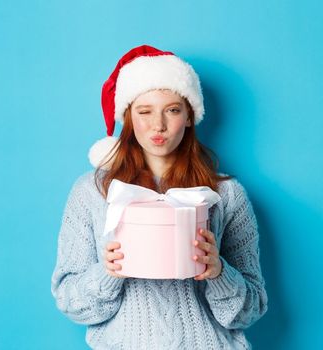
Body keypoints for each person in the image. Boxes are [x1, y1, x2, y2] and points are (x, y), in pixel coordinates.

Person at [50, 45, 268, 349]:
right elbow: (71, 302)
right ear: (128, 117)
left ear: (190, 116)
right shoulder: (92, 192)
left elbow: (251, 309)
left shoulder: (225, 194)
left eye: (173, 110)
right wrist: (109, 271)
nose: (158, 125)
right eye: (144, 111)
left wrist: (218, 273)